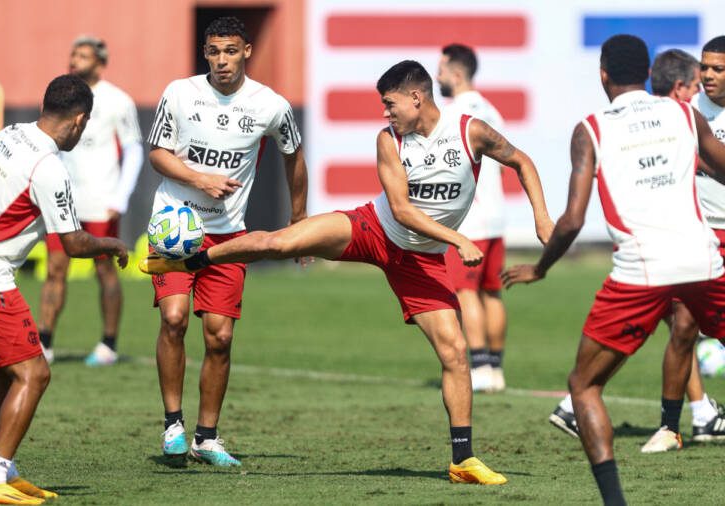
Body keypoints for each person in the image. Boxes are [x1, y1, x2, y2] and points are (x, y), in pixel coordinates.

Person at [142, 59, 554, 483]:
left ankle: (463, 461)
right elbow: (401, 210)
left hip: (420, 260)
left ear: (417, 97)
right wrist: (458, 239)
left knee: (454, 351)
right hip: (373, 229)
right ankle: (190, 259)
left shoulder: (471, 131)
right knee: (280, 242)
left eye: (390, 104)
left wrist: (541, 217)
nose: (385, 113)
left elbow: (521, 161)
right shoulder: (388, 139)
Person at [502, 35, 725, 505]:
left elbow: (573, 220)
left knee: (583, 386)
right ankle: (690, 418)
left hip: (641, 271)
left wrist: (541, 268)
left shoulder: (591, 129)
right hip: (705, 260)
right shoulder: (685, 114)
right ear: (648, 74)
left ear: (602, 74)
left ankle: (615, 502)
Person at [0, 75, 128, 505]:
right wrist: (112, 244)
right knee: (35, 373)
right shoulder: (49, 167)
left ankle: (5, 467)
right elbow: (74, 243)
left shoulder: (10, 136)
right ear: (79, 120)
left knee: (6, 369)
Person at [146, 16, 308, 466]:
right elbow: (158, 153)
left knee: (219, 337)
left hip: (229, 236)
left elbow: (294, 157)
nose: (222, 60)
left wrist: (299, 221)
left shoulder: (271, 105)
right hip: (174, 226)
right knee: (174, 318)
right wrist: (199, 178)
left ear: (247, 51)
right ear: (205, 52)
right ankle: (173, 425)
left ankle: (207, 438)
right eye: (214, 51)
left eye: (231, 51)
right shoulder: (179, 93)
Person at [548, 48, 725, 451]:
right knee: (679, 325)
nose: (708, 78)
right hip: (696, 240)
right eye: (704, 72)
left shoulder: (680, 114)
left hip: (684, 245)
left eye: (716, 69)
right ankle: (684, 418)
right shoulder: (683, 112)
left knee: (676, 324)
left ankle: (693, 415)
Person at [38, 36, 144, 366]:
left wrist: (121, 196)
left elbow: (134, 148)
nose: (74, 60)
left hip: (101, 198)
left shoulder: (118, 100)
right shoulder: (60, 96)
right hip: (63, 199)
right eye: (72, 53)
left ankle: (108, 344)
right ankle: (45, 343)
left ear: (99, 61)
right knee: (55, 269)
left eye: (82, 55)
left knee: (105, 270)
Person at [437, 43, 508, 392]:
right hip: (496, 216)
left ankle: (479, 367)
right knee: (492, 294)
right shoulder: (492, 111)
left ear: (457, 73)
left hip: (471, 219)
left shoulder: (454, 113)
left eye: (441, 69)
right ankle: (495, 368)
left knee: (466, 293)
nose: (437, 76)